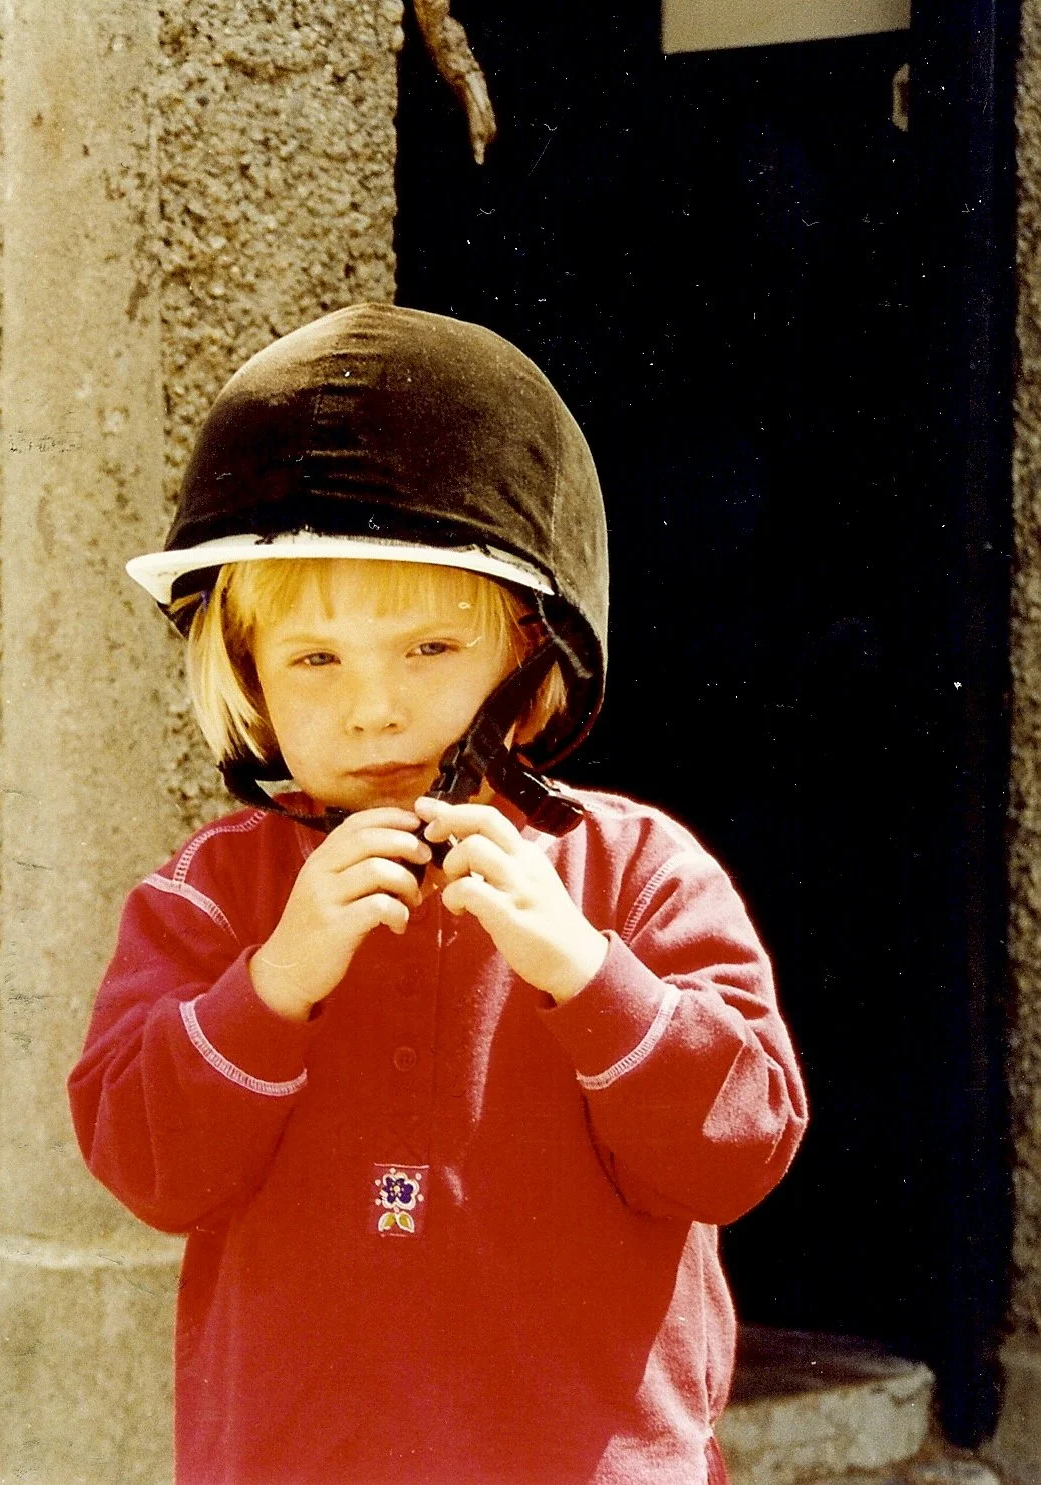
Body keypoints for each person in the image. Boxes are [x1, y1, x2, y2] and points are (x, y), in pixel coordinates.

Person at [68, 302, 807, 1485]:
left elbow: (739, 1151)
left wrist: (584, 969)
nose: (375, 709)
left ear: (530, 652)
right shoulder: (206, 898)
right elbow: (146, 1170)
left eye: (429, 651)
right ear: (247, 679)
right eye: (316, 660)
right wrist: (272, 983)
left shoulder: (638, 871)